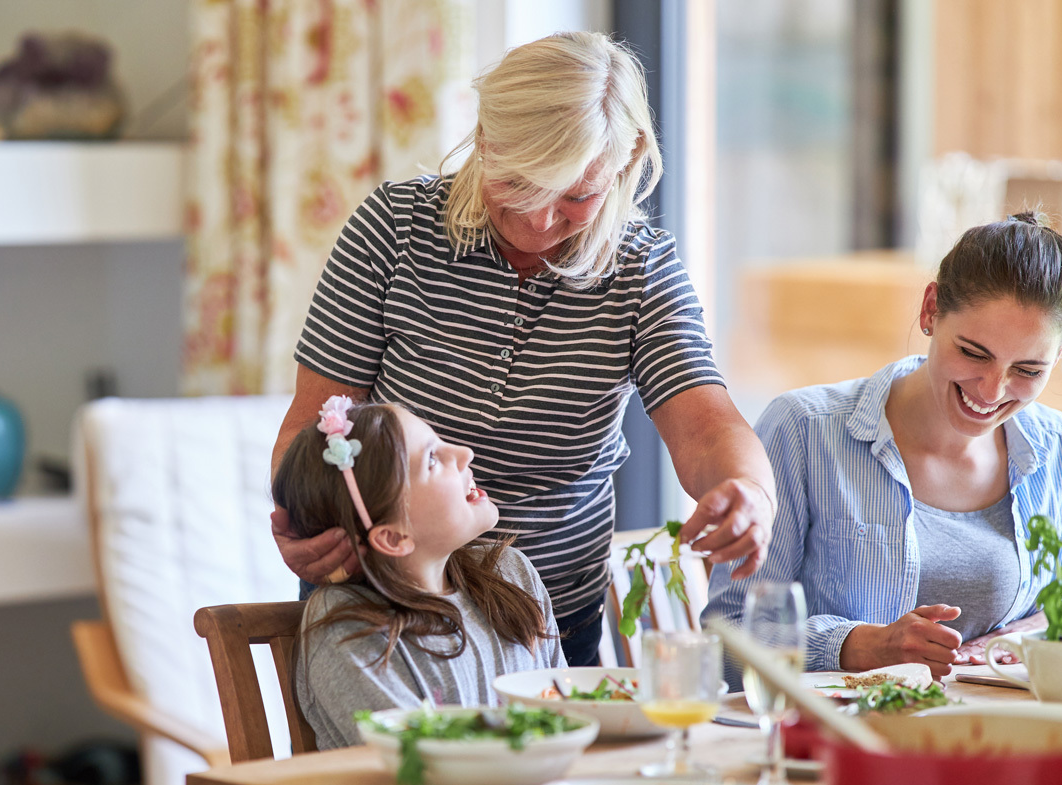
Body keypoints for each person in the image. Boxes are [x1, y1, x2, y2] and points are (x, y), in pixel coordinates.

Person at [270, 31, 776, 667]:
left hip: (548, 628)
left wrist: (746, 491)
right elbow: (311, 426)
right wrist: (305, 517)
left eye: (575, 196)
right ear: (483, 140)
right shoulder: (392, 230)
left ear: (627, 162)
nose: (538, 221)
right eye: (518, 182)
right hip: (381, 611)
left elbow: (707, 427)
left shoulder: (641, 271)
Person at [702, 212, 1062, 682]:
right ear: (930, 310)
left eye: (1029, 370)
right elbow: (725, 637)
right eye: (974, 353)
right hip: (844, 743)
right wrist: (858, 646)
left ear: (1057, 359)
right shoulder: (804, 431)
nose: (992, 391)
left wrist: (1051, 624)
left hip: (1008, 734)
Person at [272, 395, 566, 749]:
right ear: (393, 537)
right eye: (431, 459)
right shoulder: (346, 628)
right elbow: (418, 762)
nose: (464, 454)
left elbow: (565, 715)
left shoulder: (513, 574)